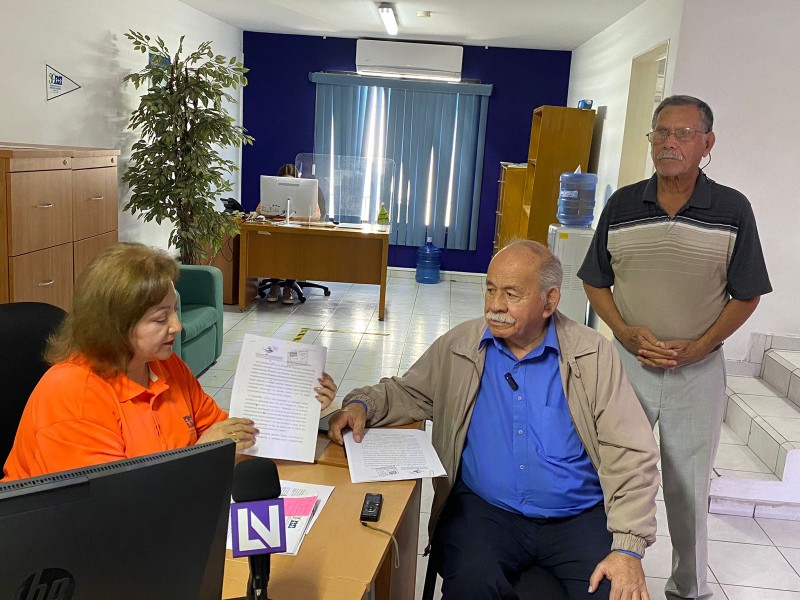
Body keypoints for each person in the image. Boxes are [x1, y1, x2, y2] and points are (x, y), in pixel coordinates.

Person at [328, 240, 660, 600]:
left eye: (512, 294)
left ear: (549, 301)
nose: (495, 306)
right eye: (490, 290)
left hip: (577, 516)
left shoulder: (592, 355)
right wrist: (362, 404)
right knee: (472, 586)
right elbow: (409, 392)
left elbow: (631, 453)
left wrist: (627, 547)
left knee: (613, 592)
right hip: (486, 512)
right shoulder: (461, 346)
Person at [578, 95, 771, 600]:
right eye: (660, 132)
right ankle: (600, 574)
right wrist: (622, 331)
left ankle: (687, 588)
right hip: (625, 367)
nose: (669, 143)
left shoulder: (731, 209)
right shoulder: (621, 205)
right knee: (610, 473)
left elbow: (746, 293)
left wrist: (701, 346)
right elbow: (595, 282)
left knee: (687, 489)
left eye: (683, 134)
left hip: (697, 373)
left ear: (707, 143)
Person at [2, 242, 337, 481]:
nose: (176, 327)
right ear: (115, 326)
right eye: (160, 319)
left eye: (174, 311)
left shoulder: (162, 365)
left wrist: (300, 409)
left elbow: (222, 430)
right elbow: (109, 504)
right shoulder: (72, 394)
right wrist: (202, 450)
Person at [259, 163, 325, 305]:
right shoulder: (273, 191)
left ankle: (288, 287)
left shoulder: (307, 192)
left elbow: (317, 215)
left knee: (293, 249)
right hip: (278, 232)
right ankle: (275, 285)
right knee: (275, 249)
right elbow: (260, 209)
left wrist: (295, 217)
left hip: (298, 234)